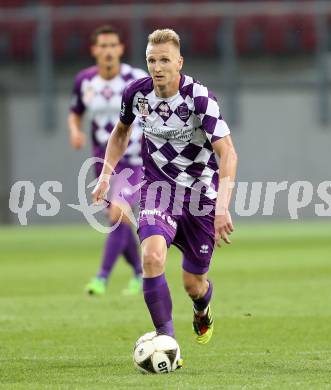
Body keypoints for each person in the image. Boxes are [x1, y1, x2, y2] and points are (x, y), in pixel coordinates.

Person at [92, 29, 238, 346]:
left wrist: (222, 207)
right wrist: (106, 173)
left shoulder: (199, 97)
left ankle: (202, 308)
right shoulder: (137, 94)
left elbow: (227, 152)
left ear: (179, 62)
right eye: (151, 60)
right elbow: (120, 133)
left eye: (164, 60)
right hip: (159, 191)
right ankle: (165, 339)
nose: (157, 68)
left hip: (202, 198)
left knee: (193, 285)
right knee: (153, 258)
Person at [68, 25, 148, 296]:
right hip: (102, 163)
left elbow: (152, 110)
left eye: (112, 45)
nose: (108, 51)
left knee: (118, 213)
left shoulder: (135, 79)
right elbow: (75, 111)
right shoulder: (84, 81)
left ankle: (101, 278)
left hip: (135, 160)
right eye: (102, 46)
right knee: (119, 221)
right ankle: (140, 273)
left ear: (121, 49)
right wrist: (75, 130)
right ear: (94, 50)